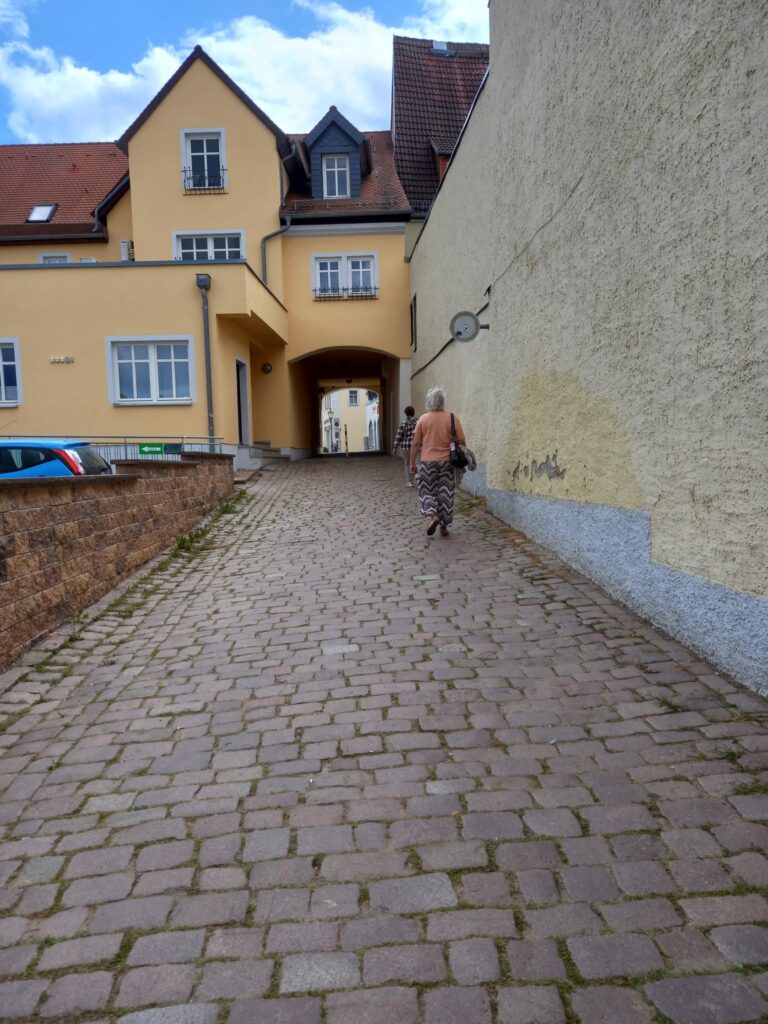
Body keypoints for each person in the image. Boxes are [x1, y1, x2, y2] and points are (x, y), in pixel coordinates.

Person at [409, 387, 466, 536]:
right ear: (443, 402)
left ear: (428, 402)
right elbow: (462, 441)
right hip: (447, 462)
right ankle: (443, 527)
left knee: (427, 491)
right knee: (445, 494)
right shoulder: (452, 418)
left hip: (427, 462)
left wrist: (412, 462)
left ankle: (433, 516)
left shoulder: (423, 419)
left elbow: (415, 443)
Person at [392, 405, 418, 486]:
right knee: (416, 462)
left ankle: (409, 481)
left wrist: (395, 447)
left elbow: (399, 436)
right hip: (416, 446)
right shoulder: (419, 422)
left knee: (407, 463)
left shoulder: (403, 424)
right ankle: (417, 478)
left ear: (406, 414)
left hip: (406, 446)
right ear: (413, 413)